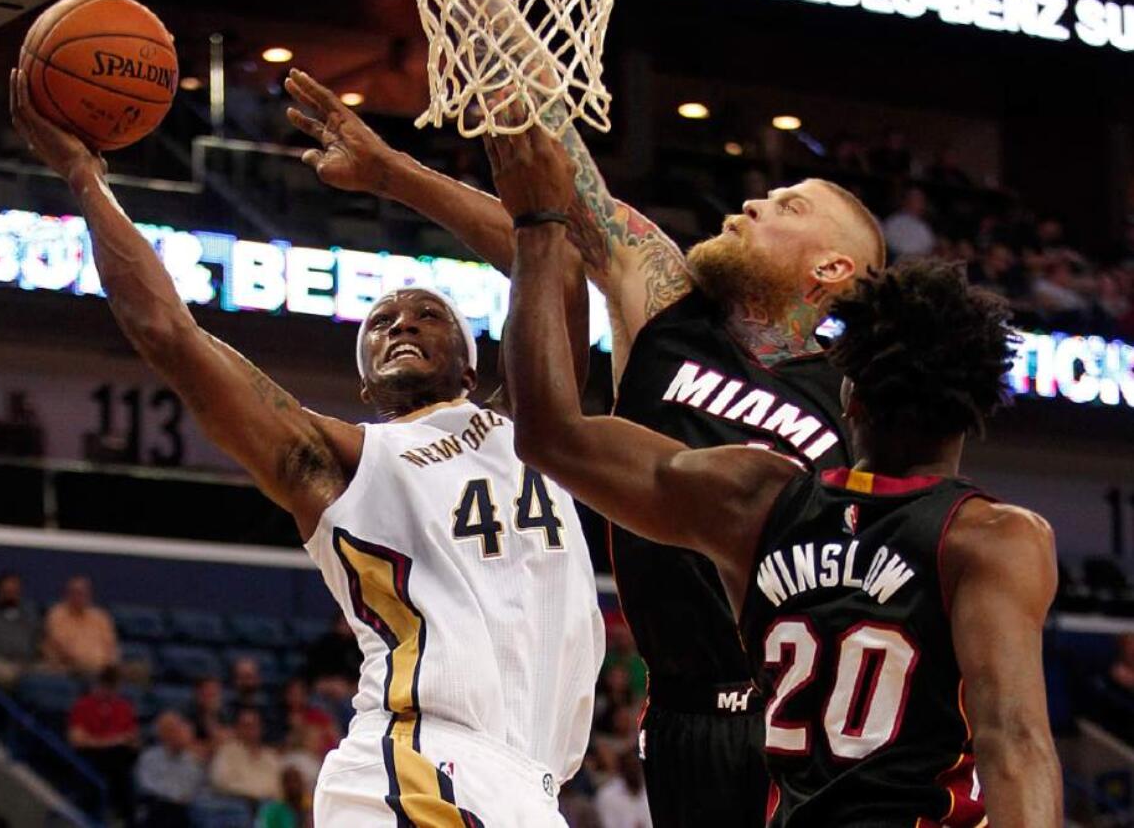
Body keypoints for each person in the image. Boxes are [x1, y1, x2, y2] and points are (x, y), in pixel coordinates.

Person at [286, 68, 883, 827]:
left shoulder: (860, 394)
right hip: (687, 713)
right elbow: (562, 200)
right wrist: (396, 160)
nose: (756, 200)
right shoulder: (666, 311)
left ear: (832, 269)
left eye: (789, 205)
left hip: (813, 711)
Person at [11, 67, 603, 827]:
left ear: (474, 359)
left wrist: (393, 174)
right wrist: (83, 177)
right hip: (421, 760)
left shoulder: (537, 424)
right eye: (382, 324)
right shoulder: (343, 461)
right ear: (363, 385)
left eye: (426, 314)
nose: (401, 324)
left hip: (528, 782)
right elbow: (173, 337)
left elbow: (550, 268)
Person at [491, 132, 1060, 825]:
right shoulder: (992, 539)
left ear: (848, 395)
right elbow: (1016, 742)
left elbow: (548, 432)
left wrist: (539, 229)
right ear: (973, 412)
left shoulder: (759, 501)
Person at [68, 665, 140, 822]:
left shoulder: (124, 707)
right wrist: (108, 742)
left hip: (120, 758)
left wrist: (123, 742)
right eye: (106, 685)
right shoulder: (83, 705)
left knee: (124, 764)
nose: (109, 690)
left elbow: (133, 740)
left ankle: (126, 816)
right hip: (92, 756)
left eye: (113, 686)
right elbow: (77, 740)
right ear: (98, 684)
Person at [135, 711, 205, 827]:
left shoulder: (193, 760)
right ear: (164, 734)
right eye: (174, 731)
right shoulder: (149, 757)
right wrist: (175, 797)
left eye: (183, 732)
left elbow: (196, 786)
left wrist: (184, 798)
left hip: (187, 807)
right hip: (158, 805)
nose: (180, 736)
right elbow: (146, 785)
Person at [43, 575, 118, 677]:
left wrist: (110, 665)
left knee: (138, 670)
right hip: (70, 667)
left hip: (103, 669)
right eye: (75, 593)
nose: (79, 597)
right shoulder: (57, 615)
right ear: (67, 595)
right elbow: (61, 648)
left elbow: (111, 646)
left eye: (83, 593)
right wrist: (87, 662)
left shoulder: (100, 617)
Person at [210, 709, 283, 804]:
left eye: (254, 725)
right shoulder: (226, 752)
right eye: (245, 726)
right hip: (238, 805)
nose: (250, 730)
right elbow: (219, 782)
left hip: (270, 806)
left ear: (260, 728)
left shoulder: (271, 756)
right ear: (237, 728)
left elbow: (280, 787)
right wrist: (253, 793)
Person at [595, 753, 652, 828]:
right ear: (622, 770)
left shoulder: (652, 792)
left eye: (636, 767)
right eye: (630, 768)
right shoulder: (607, 795)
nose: (634, 771)